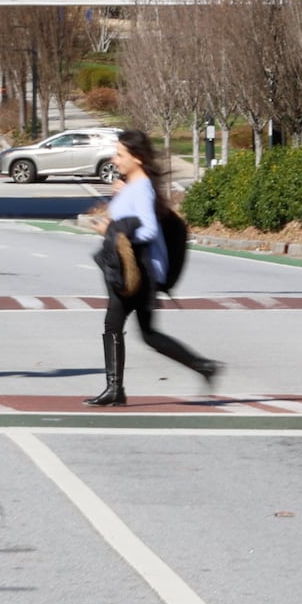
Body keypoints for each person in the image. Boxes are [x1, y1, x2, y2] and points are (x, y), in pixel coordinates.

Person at [84, 128, 221, 407]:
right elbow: (123, 220)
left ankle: (115, 389)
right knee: (148, 334)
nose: (115, 158)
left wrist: (115, 231)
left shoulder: (142, 187)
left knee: (113, 323)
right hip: (132, 267)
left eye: (120, 154)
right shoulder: (132, 186)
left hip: (139, 271)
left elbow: (146, 230)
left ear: (137, 158)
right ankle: (204, 366)